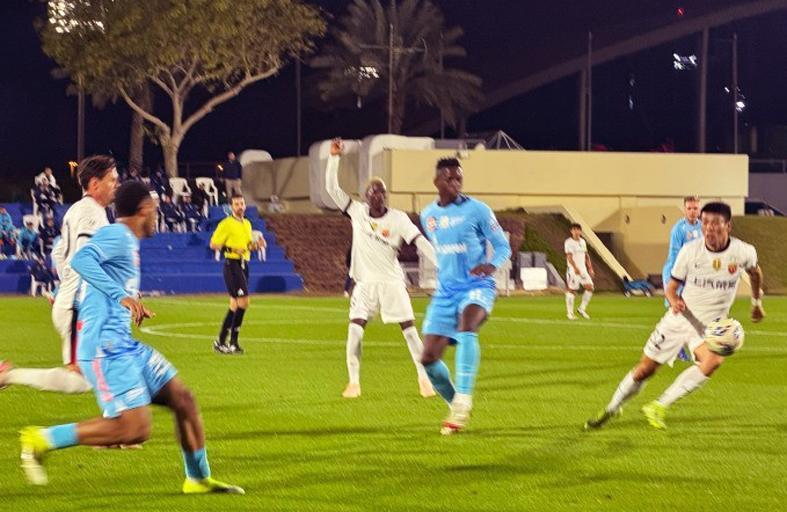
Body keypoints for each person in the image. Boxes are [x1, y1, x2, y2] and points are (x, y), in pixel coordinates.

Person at [17, 181, 244, 494]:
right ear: (144, 209)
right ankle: (42, 439)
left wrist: (128, 300)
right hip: (104, 349)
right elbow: (82, 261)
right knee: (135, 429)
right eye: (155, 209)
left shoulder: (125, 241)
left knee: (183, 399)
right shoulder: (118, 235)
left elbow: (97, 282)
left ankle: (197, 478)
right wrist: (120, 296)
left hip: (123, 344)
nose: (157, 215)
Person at [584, 202, 765, 431]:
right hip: (680, 318)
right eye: (705, 223)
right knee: (646, 369)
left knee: (712, 361)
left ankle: (659, 406)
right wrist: (673, 300)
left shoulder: (743, 252)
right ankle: (612, 408)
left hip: (710, 327)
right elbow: (671, 287)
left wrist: (756, 303)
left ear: (728, 226)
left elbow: (755, 273)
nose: (709, 228)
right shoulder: (690, 252)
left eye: (715, 223)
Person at [326, 139, 437, 399]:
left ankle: (424, 378)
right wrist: (334, 158)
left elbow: (420, 241)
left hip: (392, 283)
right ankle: (354, 383)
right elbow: (332, 189)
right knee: (355, 331)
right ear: (366, 196)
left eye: (382, 192)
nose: (378, 196)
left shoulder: (398, 218)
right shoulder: (357, 213)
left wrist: (442, 264)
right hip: (365, 284)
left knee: (410, 331)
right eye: (374, 192)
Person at [0, 155, 117, 395]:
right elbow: (85, 259)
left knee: (101, 372)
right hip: (78, 307)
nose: (117, 184)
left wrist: (65, 287)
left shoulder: (79, 210)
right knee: (81, 380)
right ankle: (7, 375)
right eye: (112, 180)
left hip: (75, 302)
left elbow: (60, 253)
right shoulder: (91, 213)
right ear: (95, 184)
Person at [418, 157, 512, 435]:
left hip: (477, 286)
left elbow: (502, 246)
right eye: (449, 178)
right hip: (446, 291)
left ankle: (464, 400)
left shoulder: (478, 210)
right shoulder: (428, 216)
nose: (456, 183)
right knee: (428, 360)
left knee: (467, 325)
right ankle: (454, 405)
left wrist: (491, 265)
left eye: (459, 178)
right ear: (437, 182)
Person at [209, 194, 259, 355]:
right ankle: (233, 342)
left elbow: (247, 245)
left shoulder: (247, 224)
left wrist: (255, 245)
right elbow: (213, 244)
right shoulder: (226, 223)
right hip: (232, 264)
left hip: (244, 264)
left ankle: (221, 341)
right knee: (244, 302)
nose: (240, 206)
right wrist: (231, 249)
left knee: (235, 305)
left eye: (242, 203)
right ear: (231, 207)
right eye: (236, 204)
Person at [662, 196, 702, 360]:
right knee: (677, 309)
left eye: (695, 208)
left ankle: (678, 343)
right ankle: (675, 345)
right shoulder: (678, 229)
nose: (692, 211)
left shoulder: (703, 228)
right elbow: (675, 255)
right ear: (685, 209)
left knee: (691, 311)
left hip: (692, 276)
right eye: (689, 208)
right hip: (675, 274)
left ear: (699, 209)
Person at [564, 223, 595, 320]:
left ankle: (581, 309)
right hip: (573, 270)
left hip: (583, 270)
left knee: (590, 287)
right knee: (572, 290)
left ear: (581, 231)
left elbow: (586, 255)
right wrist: (575, 268)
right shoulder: (568, 242)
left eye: (578, 229)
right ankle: (570, 313)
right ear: (571, 231)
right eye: (574, 230)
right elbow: (569, 257)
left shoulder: (583, 242)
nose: (576, 231)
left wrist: (590, 268)